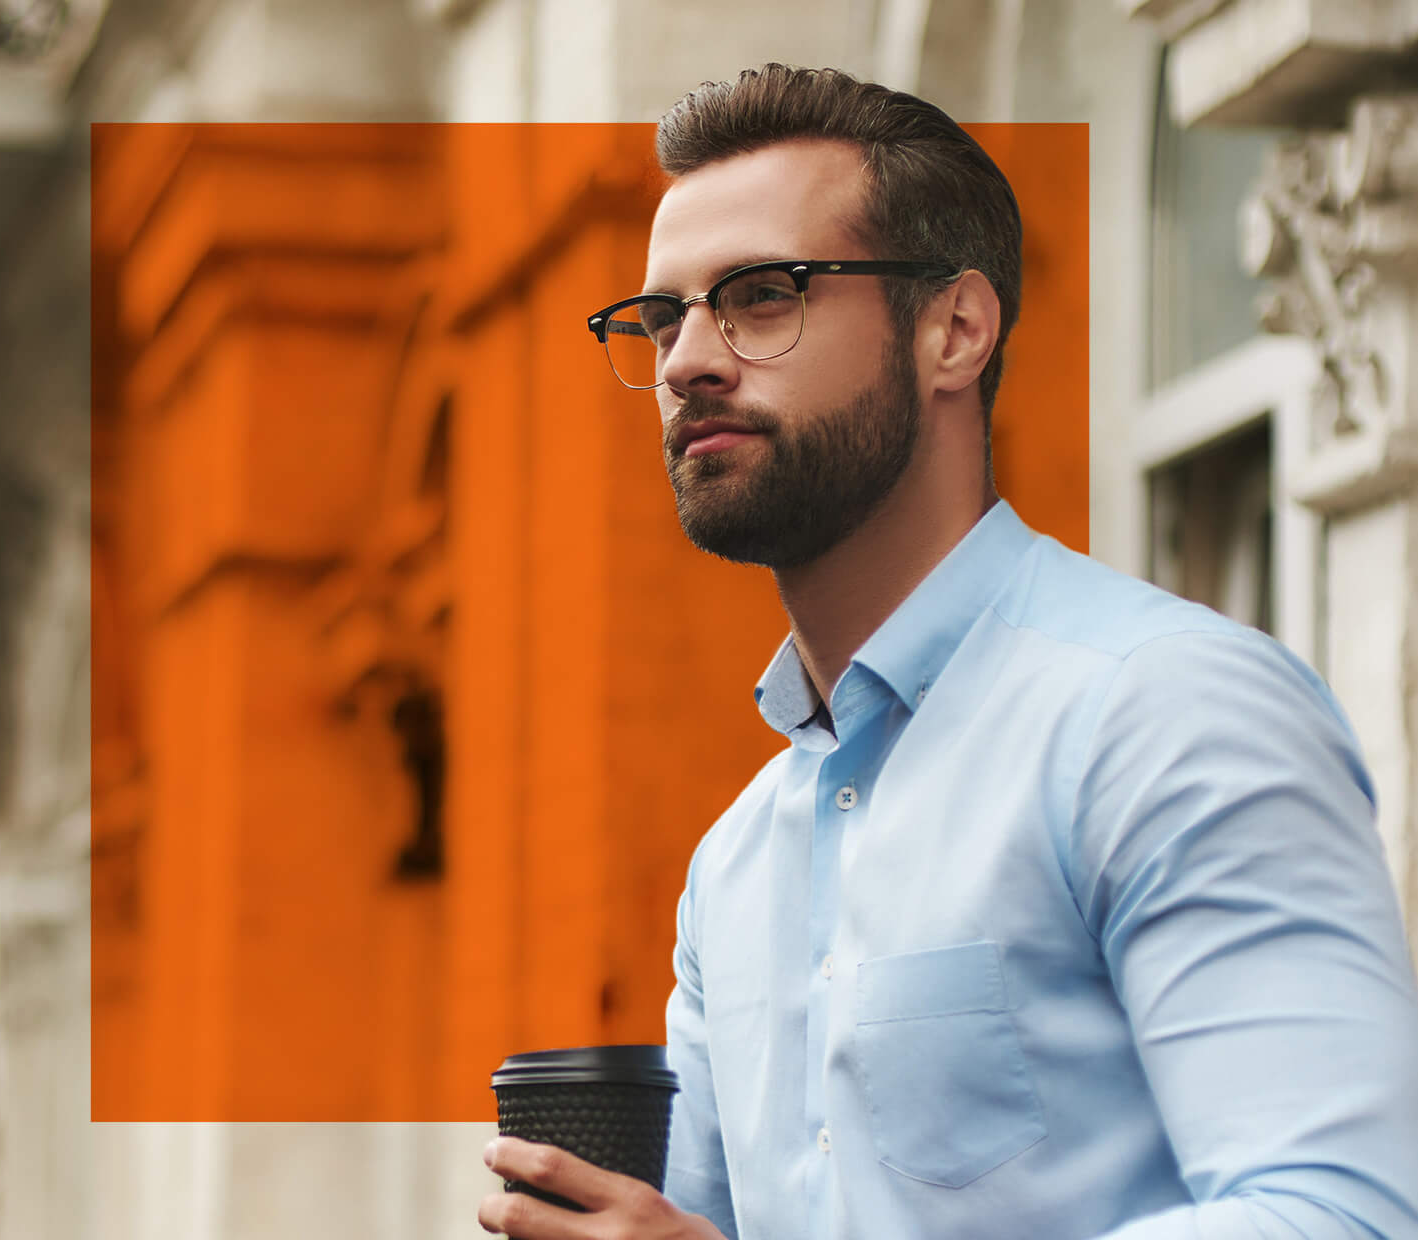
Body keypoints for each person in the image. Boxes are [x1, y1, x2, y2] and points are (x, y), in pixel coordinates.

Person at [477, 63, 1418, 1240]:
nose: (683, 361)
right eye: (663, 316)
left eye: (760, 295)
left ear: (953, 330)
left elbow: (1342, 1215)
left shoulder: (1163, 711)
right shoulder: (731, 867)